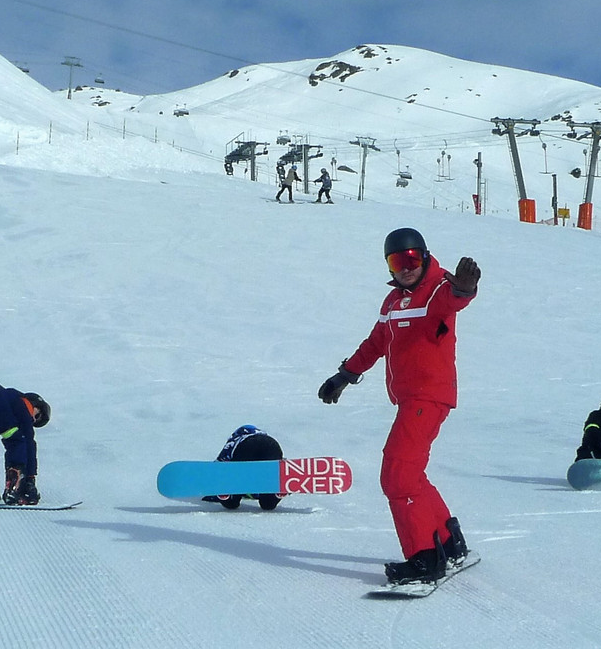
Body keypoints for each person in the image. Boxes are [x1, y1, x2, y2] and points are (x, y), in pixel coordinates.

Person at [317, 227, 480, 585]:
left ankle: (424, 559)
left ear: (424, 256)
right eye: (397, 261)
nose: (406, 267)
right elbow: (376, 343)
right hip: (411, 399)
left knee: (397, 476)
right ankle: (449, 543)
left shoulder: (437, 289)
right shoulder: (392, 303)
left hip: (428, 396)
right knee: (410, 473)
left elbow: (453, 300)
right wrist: (344, 375)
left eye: (412, 259)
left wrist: (465, 289)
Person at [201, 425, 284, 510]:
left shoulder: (236, 439)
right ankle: (276, 494)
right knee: (268, 504)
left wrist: (211, 493)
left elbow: (220, 464)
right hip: (272, 445)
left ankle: (225, 495)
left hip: (247, 446)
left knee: (233, 500)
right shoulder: (265, 436)